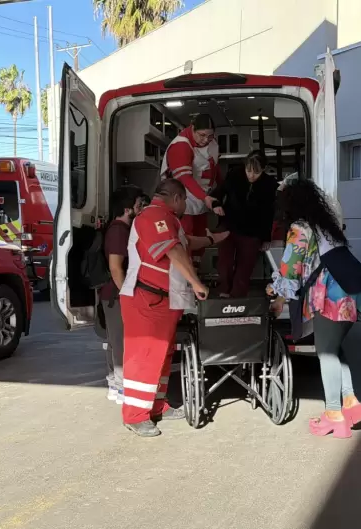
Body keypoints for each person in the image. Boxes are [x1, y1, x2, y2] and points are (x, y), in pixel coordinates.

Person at [267, 176, 361, 439]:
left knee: (325, 352)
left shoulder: (300, 228)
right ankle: (350, 403)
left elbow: (289, 269)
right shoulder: (326, 225)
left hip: (331, 293)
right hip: (355, 287)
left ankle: (334, 416)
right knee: (335, 348)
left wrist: (276, 292)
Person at [118, 179, 228, 437]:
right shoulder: (154, 216)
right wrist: (196, 283)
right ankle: (135, 415)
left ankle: (156, 405)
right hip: (146, 299)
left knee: (161, 356)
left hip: (162, 300)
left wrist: (213, 238)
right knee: (144, 357)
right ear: (177, 198)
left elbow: (186, 241)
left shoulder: (168, 220)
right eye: (185, 202)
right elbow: (174, 250)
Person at [99, 185, 148, 404]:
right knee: (120, 342)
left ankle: (115, 384)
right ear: (128, 208)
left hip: (113, 294)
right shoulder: (119, 230)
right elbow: (116, 268)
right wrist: (128, 294)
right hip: (117, 295)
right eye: (138, 203)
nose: (141, 206)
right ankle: (120, 387)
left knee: (115, 341)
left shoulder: (119, 228)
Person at [206, 150, 277, 298]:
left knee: (245, 267)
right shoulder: (234, 174)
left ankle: (237, 297)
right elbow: (220, 191)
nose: (251, 175)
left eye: (256, 172)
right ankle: (223, 291)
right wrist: (216, 204)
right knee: (224, 262)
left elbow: (269, 213)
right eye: (248, 170)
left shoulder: (269, 185)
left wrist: (266, 238)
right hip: (229, 224)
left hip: (253, 230)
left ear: (263, 170)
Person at [160, 113, 221, 262]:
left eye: (210, 136)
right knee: (185, 238)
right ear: (192, 128)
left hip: (202, 197)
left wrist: (222, 190)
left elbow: (215, 170)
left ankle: (196, 271)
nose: (205, 140)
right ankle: (186, 273)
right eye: (202, 135)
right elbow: (184, 177)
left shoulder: (212, 144)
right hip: (182, 199)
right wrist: (205, 197)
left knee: (201, 236)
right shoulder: (180, 146)